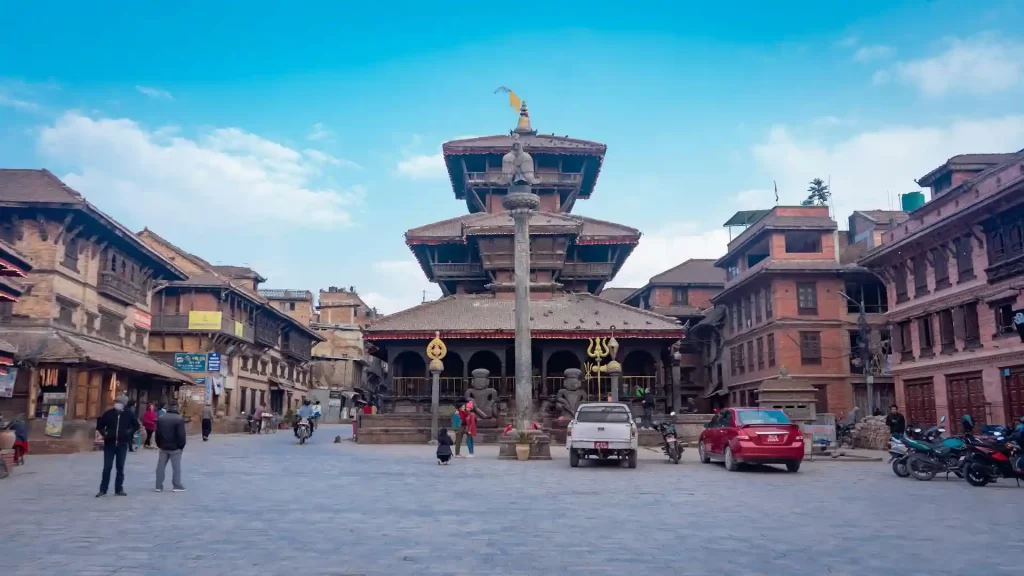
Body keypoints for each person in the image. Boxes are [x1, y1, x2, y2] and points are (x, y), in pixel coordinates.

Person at [96, 395, 137, 497]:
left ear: (124, 404)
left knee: (120, 467)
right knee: (107, 467)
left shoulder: (129, 414)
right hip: (109, 444)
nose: (117, 404)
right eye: (116, 402)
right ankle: (103, 489)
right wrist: (105, 434)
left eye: (119, 402)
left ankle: (119, 489)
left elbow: (136, 425)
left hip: (122, 444)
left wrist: (128, 432)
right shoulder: (108, 414)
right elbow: (100, 425)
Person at [154, 403, 187, 493]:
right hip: (175, 448)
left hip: (163, 446)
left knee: (160, 467)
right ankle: (176, 485)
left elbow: (157, 433)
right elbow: (181, 435)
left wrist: (159, 444)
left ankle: (158, 486)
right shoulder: (179, 419)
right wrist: (181, 446)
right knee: (176, 468)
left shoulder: (161, 418)